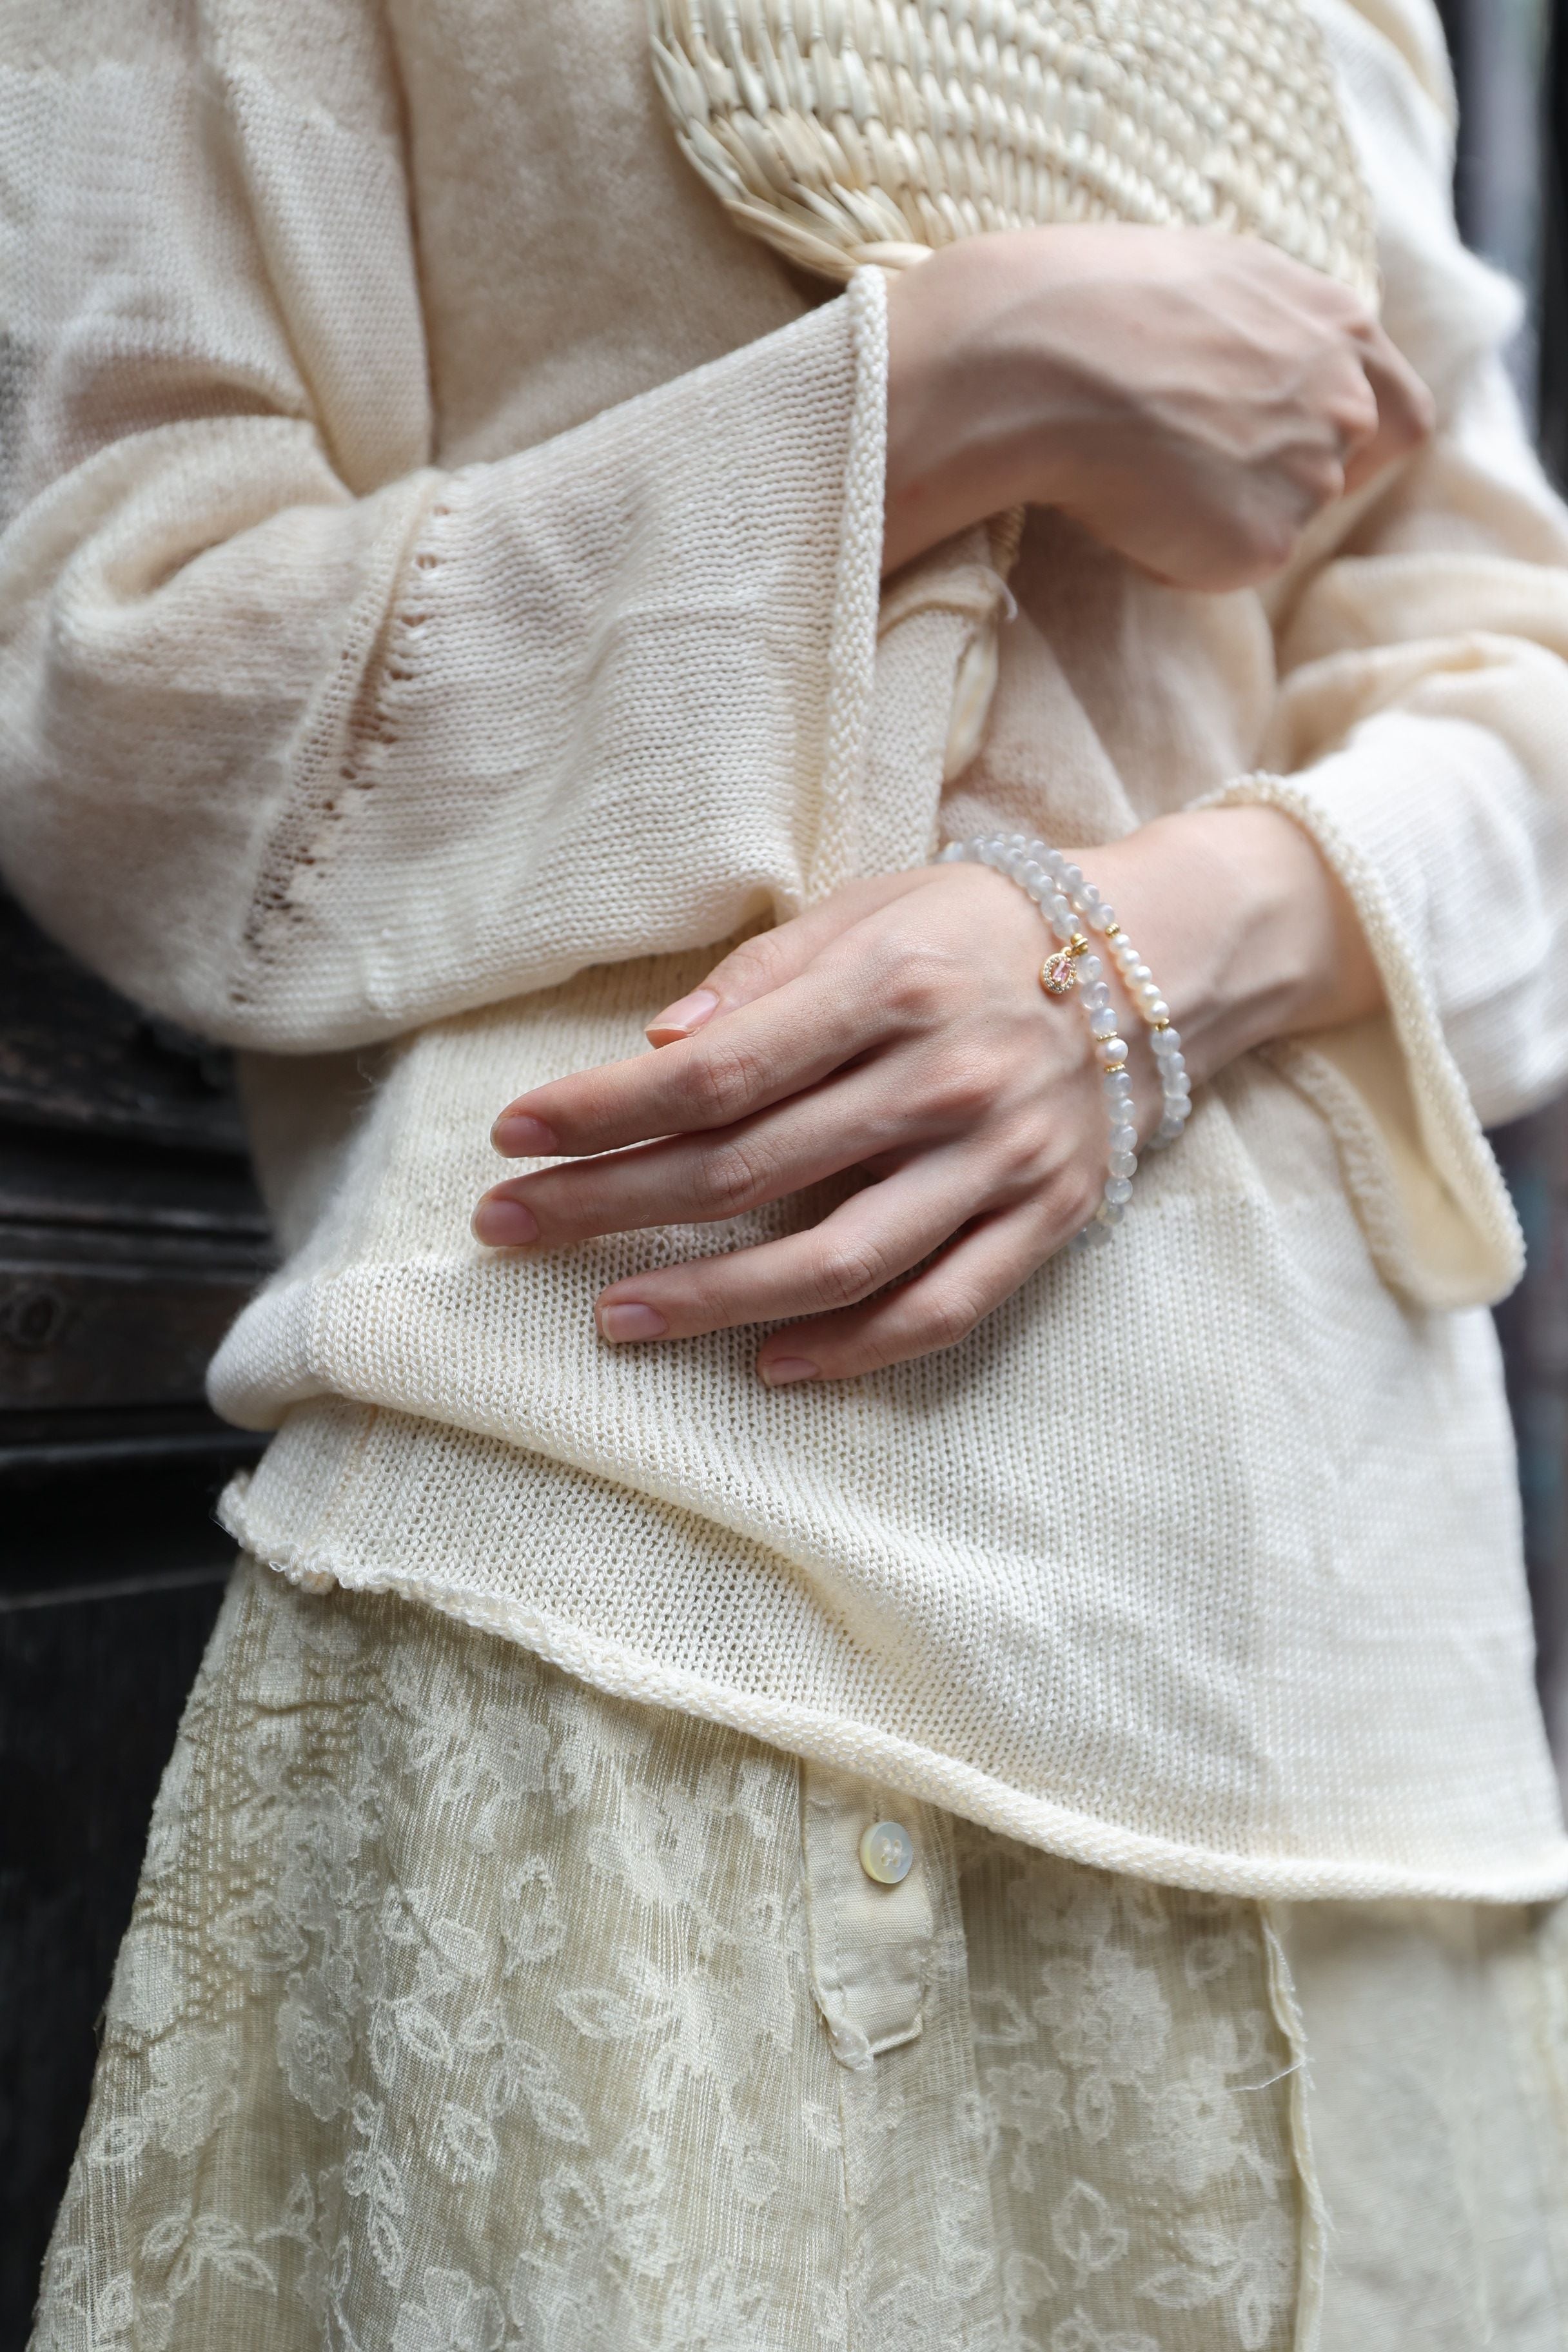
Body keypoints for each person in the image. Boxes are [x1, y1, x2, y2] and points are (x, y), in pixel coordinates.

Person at [10, 0, 1568, 2342]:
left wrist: (1141, 961)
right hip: (640, 1604)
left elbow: (1514, 692)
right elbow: (129, 713)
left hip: (1332, 1682)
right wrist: (941, 384)